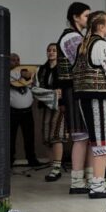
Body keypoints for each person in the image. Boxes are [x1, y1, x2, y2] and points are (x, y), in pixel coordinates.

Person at [72, 11, 106, 199]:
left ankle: (91, 182)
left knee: (95, 141)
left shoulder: (83, 46)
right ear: (101, 27)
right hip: (100, 99)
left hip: (83, 98)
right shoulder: (102, 46)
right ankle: (98, 185)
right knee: (103, 142)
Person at [56, 2, 93, 193]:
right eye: (86, 16)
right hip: (74, 91)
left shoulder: (79, 36)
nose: (89, 19)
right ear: (75, 17)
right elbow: (82, 62)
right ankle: (77, 181)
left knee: (88, 137)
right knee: (81, 137)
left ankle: (91, 178)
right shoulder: (71, 37)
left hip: (79, 90)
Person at [36, 43, 69, 182]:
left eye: (54, 50)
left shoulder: (63, 68)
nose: (51, 52)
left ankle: (56, 167)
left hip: (59, 106)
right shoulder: (42, 69)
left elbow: (68, 87)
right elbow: (37, 86)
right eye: (49, 50)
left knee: (56, 135)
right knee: (46, 136)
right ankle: (52, 166)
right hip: (46, 105)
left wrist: (63, 98)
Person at [9, 53, 41, 169]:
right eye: (13, 60)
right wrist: (22, 74)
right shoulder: (8, 74)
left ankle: (31, 159)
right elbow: (13, 77)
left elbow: (35, 84)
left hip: (27, 112)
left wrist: (30, 77)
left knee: (29, 137)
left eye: (18, 60)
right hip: (12, 112)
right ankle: (9, 160)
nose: (16, 62)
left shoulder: (26, 74)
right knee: (10, 138)